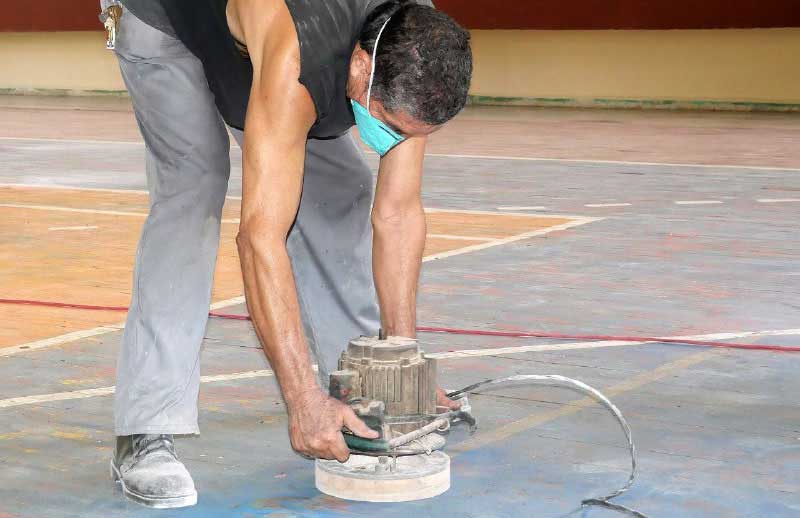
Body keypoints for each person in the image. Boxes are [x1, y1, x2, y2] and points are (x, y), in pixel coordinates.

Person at [101, 0, 472, 508]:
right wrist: (301, 400)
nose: (394, 139)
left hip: (258, 38)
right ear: (361, 66)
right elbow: (259, 239)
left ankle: (369, 386)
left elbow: (398, 214)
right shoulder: (299, 56)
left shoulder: (410, 42)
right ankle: (145, 430)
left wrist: (402, 364)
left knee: (338, 188)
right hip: (165, 18)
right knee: (194, 186)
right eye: (388, 122)